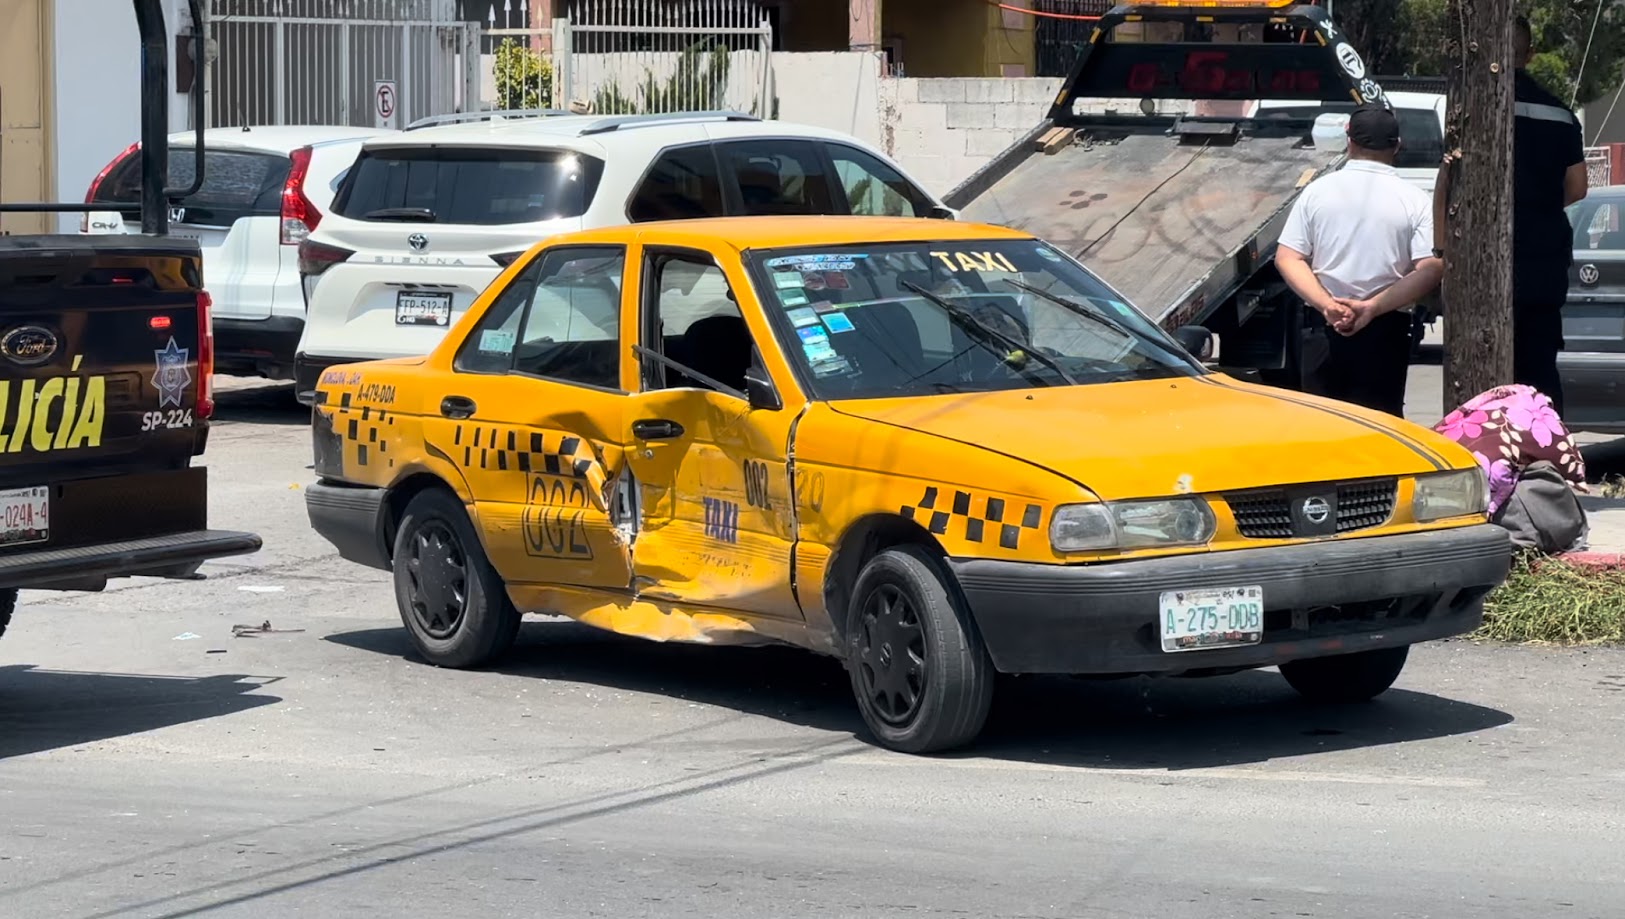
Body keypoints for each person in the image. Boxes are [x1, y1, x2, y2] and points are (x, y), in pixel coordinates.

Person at [1433, 15, 1589, 416]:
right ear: (1530, 55)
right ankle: (1544, 454)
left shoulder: (1471, 109)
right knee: (1538, 369)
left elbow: (1448, 182)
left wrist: (1442, 249)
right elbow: (1577, 188)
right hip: (1542, 259)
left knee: (1481, 373)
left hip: (1478, 261)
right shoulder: (1561, 115)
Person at [1277, 105, 1443, 416]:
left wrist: (1327, 305)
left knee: (1323, 428)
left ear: (1349, 140)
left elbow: (1288, 257)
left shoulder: (1317, 192)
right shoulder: (1415, 199)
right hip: (1387, 329)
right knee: (1380, 430)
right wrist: (1373, 307)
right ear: (1397, 146)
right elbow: (1431, 268)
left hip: (1323, 326)